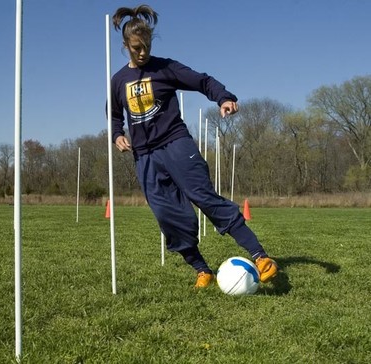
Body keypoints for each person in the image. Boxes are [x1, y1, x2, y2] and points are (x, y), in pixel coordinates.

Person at [109, 4, 278, 288]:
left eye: (146, 45)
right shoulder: (118, 81)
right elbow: (114, 115)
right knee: (167, 215)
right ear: (126, 45)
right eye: (136, 47)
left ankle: (260, 256)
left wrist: (223, 97)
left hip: (175, 143)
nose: (142, 52)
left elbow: (202, 81)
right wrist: (117, 135)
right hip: (145, 156)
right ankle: (201, 269)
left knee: (203, 196)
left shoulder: (165, 68)